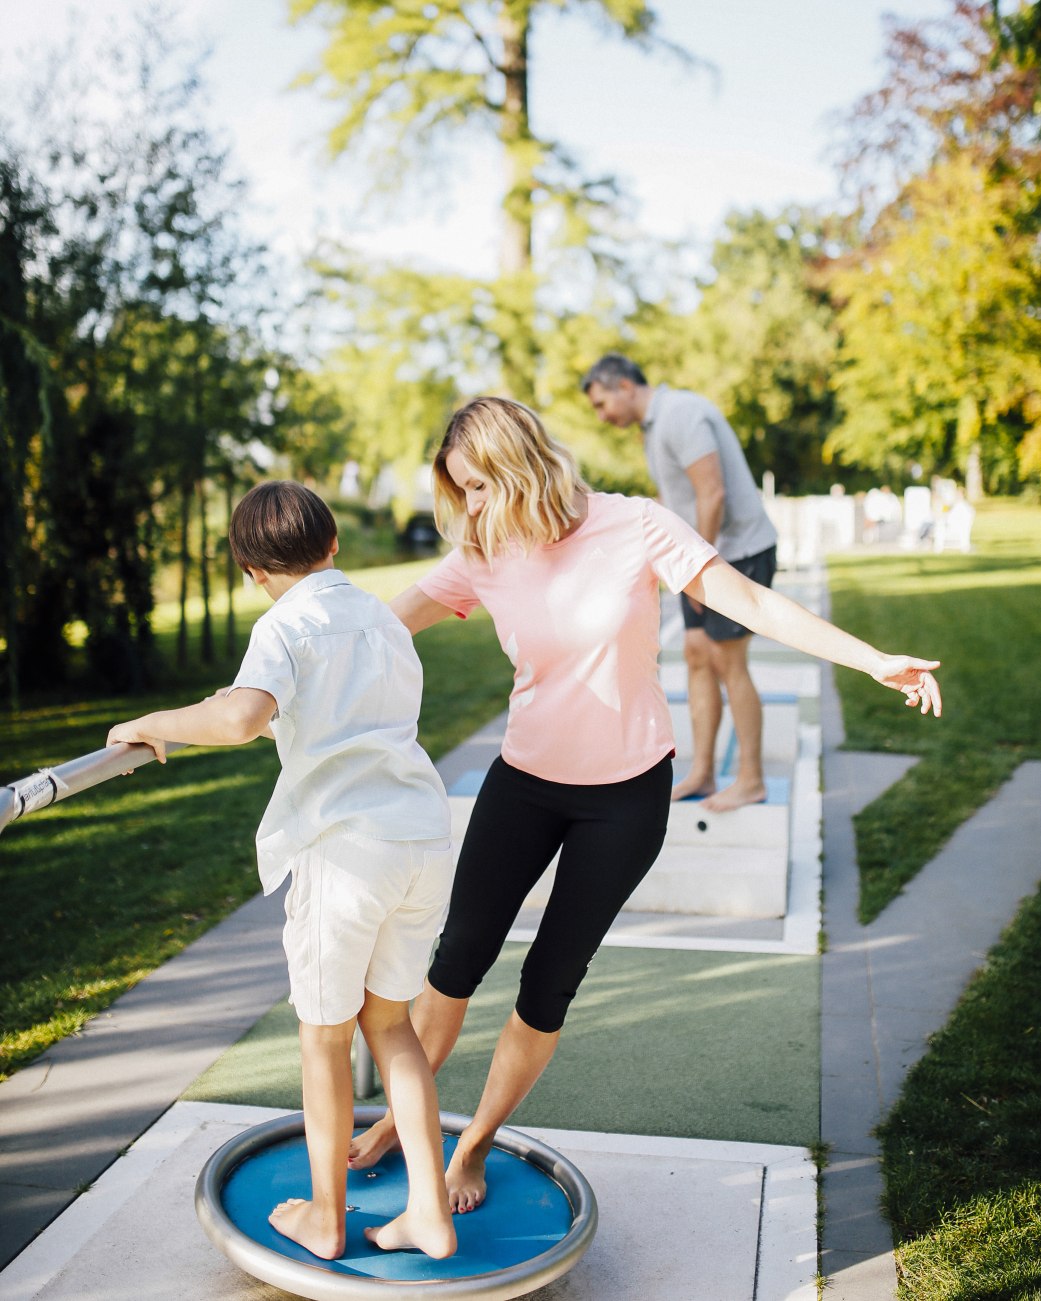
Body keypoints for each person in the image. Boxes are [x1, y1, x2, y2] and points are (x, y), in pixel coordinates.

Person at [348, 396, 941, 1214]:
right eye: (461, 491)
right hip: (521, 783)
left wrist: (872, 659)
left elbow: (753, 603)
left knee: (546, 983)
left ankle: (473, 1143)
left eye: (479, 485)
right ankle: (399, 1121)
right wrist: (275, 678)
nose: (470, 506)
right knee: (454, 962)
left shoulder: (633, 525)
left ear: (519, 462)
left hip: (625, 799)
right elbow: (384, 624)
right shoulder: (482, 549)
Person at [106, 481, 456, 1263]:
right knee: (391, 1025)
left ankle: (326, 1215)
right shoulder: (381, 616)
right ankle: (428, 1212)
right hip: (422, 840)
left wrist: (152, 723)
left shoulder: (283, 622)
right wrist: (237, 695)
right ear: (333, 545)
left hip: (347, 851)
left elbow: (239, 719)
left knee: (324, 1037)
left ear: (250, 570)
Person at [582, 353, 778, 811]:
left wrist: (693, 568)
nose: (602, 415)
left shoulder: (680, 413)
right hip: (703, 558)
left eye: (601, 403)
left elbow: (713, 493)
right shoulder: (653, 428)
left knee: (729, 663)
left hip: (738, 552)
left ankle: (751, 779)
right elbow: (676, 498)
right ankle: (704, 773)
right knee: (695, 656)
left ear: (625, 386)